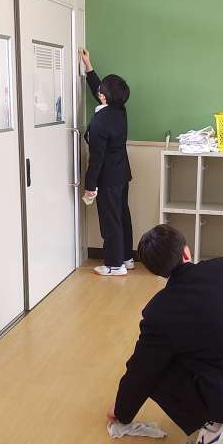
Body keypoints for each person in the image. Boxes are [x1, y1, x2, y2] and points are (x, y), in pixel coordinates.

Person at [107, 224, 223, 444]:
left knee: (157, 366)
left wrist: (121, 412)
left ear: (157, 272)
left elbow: (141, 371)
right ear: (186, 251)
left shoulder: (160, 310)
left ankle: (218, 430)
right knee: (219, 342)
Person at [81, 48, 134, 276]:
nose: (99, 91)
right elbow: (101, 92)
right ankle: (127, 258)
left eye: (101, 89)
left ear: (104, 97)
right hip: (121, 175)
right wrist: (89, 67)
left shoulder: (100, 122)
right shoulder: (119, 110)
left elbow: (96, 159)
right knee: (121, 216)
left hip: (108, 178)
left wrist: (90, 186)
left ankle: (114, 265)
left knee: (110, 221)